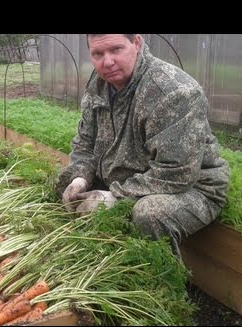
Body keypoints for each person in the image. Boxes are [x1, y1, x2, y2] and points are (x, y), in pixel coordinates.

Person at [56, 34, 230, 256]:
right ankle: (93, 255)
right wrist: (80, 177)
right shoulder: (100, 84)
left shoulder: (172, 92)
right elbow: (84, 143)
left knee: (148, 214)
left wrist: (114, 197)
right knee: (64, 183)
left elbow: (177, 174)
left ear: (136, 43)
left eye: (116, 49)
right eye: (97, 54)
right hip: (128, 178)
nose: (107, 62)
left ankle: (161, 283)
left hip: (190, 186)